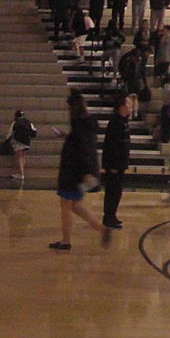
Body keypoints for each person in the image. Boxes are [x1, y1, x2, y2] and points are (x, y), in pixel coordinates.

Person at [50, 90, 110, 250]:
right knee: (76, 205)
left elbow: (83, 150)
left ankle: (66, 241)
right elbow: (82, 144)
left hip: (74, 174)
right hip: (81, 174)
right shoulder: (86, 124)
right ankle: (102, 229)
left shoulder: (79, 125)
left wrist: (86, 173)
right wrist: (66, 136)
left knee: (66, 205)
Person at [102, 94, 131, 228]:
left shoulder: (124, 121)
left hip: (120, 164)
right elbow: (111, 145)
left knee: (117, 191)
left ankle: (112, 215)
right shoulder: (115, 122)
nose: (130, 107)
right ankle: (108, 216)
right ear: (122, 107)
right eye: (128, 104)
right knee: (112, 191)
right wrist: (112, 165)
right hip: (114, 164)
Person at [8, 109, 35, 180]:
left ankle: (21, 174)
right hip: (27, 141)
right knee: (23, 157)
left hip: (18, 141)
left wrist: (8, 139)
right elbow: (34, 132)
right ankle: (22, 172)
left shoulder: (15, 122)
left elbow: (10, 133)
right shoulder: (28, 122)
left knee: (19, 157)